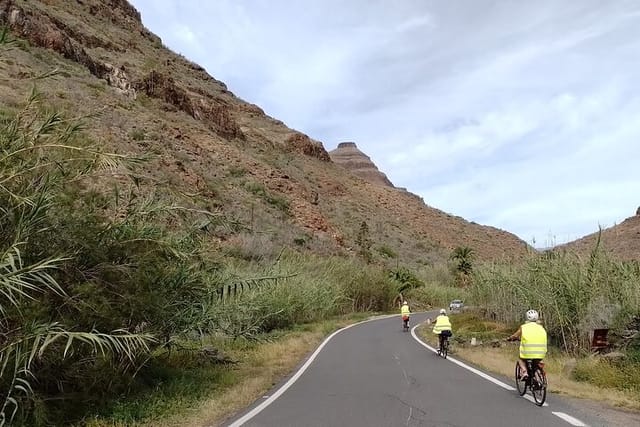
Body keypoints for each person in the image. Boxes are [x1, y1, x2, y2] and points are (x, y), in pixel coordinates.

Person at [506, 309, 547, 380]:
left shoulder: (524, 327)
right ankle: (539, 374)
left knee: (521, 359)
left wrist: (510, 338)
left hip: (528, 352)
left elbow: (515, 336)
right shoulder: (541, 328)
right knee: (537, 361)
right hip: (541, 352)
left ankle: (524, 372)